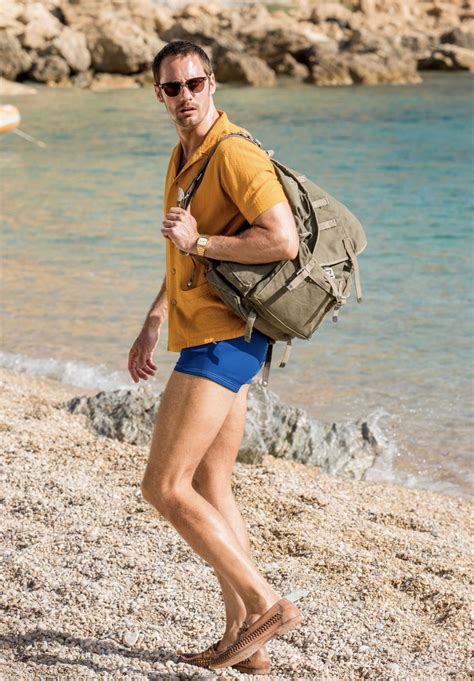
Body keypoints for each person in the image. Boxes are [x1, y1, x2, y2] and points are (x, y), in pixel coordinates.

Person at [127, 39, 303, 673]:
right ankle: (243, 639)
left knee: (163, 485)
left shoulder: (234, 155)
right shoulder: (184, 157)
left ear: (214, 85)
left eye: (195, 84)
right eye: (172, 89)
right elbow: (183, 256)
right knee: (209, 484)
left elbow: (279, 240)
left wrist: (200, 238)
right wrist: (153, 319)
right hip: (209, 330)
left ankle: (265, 603)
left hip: (224, 337)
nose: (185, 98)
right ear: (159, 95)